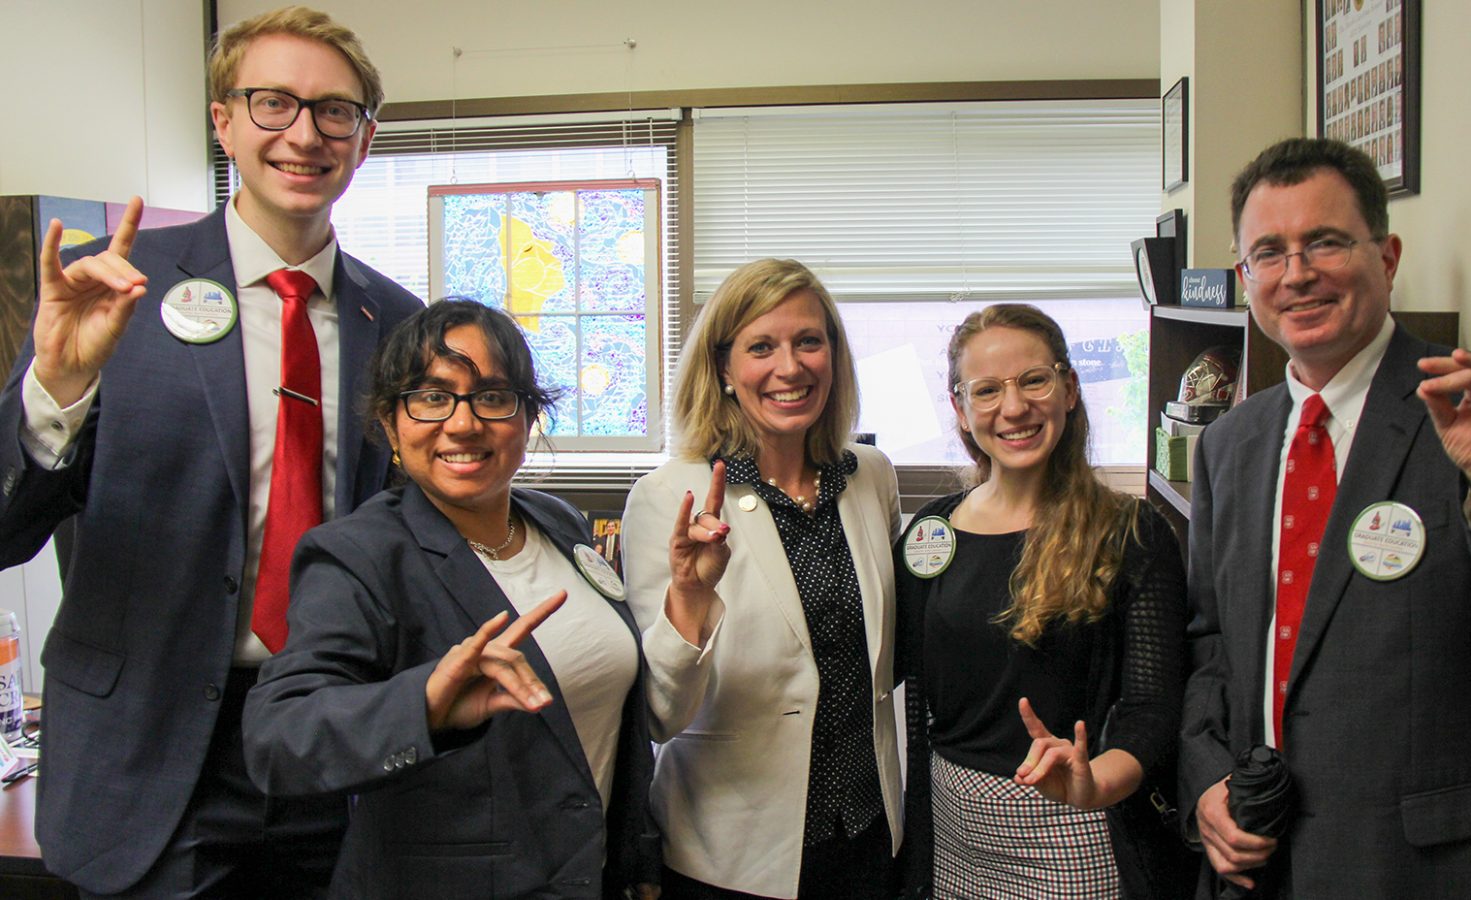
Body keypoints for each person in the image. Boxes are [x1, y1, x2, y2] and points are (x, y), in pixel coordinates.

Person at [0, 7, 421, 896]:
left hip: (329, 744)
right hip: (147, 757)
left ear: (365, 138)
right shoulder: (115, 287)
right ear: (223, 119)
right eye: (273, 103)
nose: (304, 134)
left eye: (335, 111)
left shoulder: (402, 322)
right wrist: (57, 391)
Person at [242, 299, 696, 898]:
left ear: (528, 415)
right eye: (432, 397)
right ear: (389, 424)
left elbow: (608, 721)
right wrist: (424, 704)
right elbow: (278, 737)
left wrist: (637, 858)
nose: (463, 423)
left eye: (492, 396)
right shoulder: (360, 555)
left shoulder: (558, 523)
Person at [1179, 137, 1471, 899]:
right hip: (1258, 859)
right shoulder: (1229, 444)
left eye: (1325, 242)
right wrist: (1207, 781)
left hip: (1416, 867)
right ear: (1246, 278)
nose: (1297, 273)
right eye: (1269, 252)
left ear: (1388, 256)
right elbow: (1212, 644)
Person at [621, 258, 903, 898]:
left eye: (809, 341)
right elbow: (660, 717)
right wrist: (689, 602)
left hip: (867, 833)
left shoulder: (870, 476)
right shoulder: (671, 497)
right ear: (723, 369)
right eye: (760, 347)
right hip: (733, 855)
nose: (791, 367)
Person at [895, 304, 1190, 899]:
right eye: (987, 390)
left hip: (1077, 830)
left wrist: (1093, 782)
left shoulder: (1129, 531)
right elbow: (894, 665)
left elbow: (1153, 709)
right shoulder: (933, 531)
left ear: (1069, 388)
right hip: (952, 832)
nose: (1013, 408)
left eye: (1034, 380)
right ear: (959, 409)